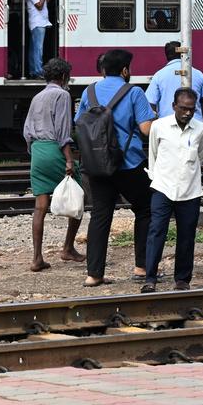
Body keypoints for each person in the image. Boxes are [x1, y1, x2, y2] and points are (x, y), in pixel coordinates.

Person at [75, 49, 155, 287]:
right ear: (124, 70)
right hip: (127, 163)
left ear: (102, 70)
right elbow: (146, 129)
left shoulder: (89, 92)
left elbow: (78, 123)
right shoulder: (134, 92)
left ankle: (94, 274)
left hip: (96, 164)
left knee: (100, 215)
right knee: (145, 208)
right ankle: (141, 267)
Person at [143, 87, 203, 293]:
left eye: (191, 109)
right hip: (163, 186)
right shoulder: (159, 127)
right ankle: (150, 277)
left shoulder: (201, 129)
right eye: (183, 108)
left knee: (187, 235)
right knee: (156, 232)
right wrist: (156, 177)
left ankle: (182, 279)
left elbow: (200, 156)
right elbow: (153, 155)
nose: (187, 113)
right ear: (174, 107)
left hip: (190, 190)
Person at [24, 58, 84, 272]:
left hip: (38, 152)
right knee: (78, 196)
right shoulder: (63, 95)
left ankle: (37, 258)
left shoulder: (37, 96)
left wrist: (35, 152)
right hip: (53, 149)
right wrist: (69, 159)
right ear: (65, 77)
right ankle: (68, 248)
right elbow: (63, 131)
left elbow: (26, 131)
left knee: (40, 207)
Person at [146, 41, 203, 123]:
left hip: (166, 126)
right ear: (183, 53)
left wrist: (154, 125)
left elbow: (150, 103)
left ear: (167, 56)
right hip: (195, 125)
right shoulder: (198, 74)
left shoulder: (159, 75)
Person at [25, 0, 55, 79]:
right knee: (38, 49)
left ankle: (34, 71)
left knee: (34, 48)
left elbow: (44, 2)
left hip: (39, 23)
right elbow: (39, 6)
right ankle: (38, 71)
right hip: (38, 24)